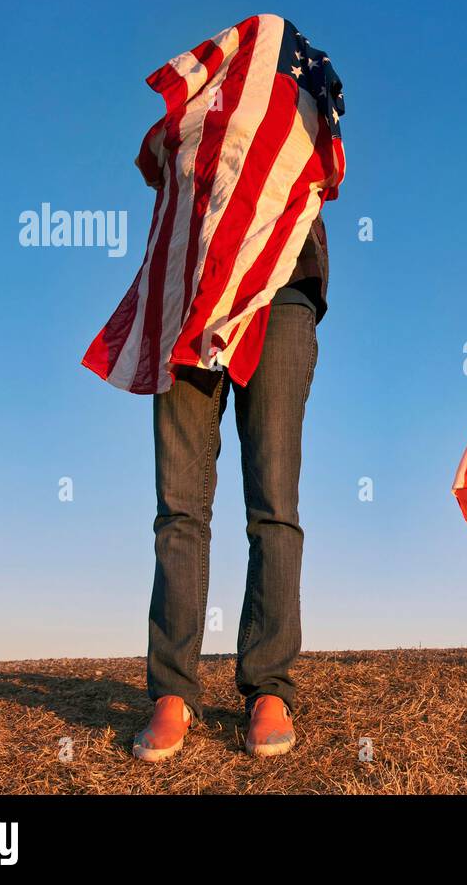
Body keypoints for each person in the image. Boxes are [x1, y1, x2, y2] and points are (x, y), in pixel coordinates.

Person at [131, 218, 329, 762]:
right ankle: (173, 691)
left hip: (282, 286)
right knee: (178, 507)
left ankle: (269, 688)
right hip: (189, 294)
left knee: (274, 506)